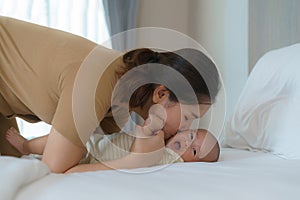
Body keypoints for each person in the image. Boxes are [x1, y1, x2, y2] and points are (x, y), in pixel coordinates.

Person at [0, 16, 220, 173]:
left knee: (13, 167)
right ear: (161, 94)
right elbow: (55, 168)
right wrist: (135, 162)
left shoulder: (123, 104)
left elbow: (93, 150)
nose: (186, 128)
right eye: (188, 117)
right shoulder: (100, 83)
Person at [6, 126, 220, 173]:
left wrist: (146, 132)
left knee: (67, 139)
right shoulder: (163, 137)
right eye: (191, 137)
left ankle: (27, 147)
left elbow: (142, 151)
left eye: (194, 151)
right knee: (63, 134)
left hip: (92, 153)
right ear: (185, 130)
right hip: (97, 144)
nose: (187, 144)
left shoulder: (170, 159)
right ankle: (29, 146)